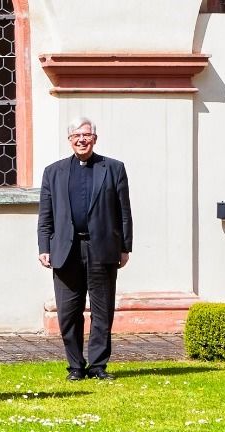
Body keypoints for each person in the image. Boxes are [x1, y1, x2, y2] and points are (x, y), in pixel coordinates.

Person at [36, 117, 132, 381]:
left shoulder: (113, 168)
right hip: (66, 250)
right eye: (76, 136)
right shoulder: (53, 172)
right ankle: (76, 367)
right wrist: (44, 246)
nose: (82, 140)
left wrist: (125, 247)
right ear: (69, 140)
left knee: (102, 311)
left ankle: (98, 366)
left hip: (102, 248)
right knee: (68, 313)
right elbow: (46, 214)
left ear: (94, 139)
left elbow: (123, 211)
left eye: (86, 135)